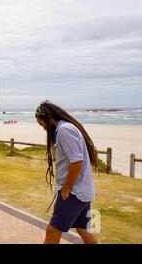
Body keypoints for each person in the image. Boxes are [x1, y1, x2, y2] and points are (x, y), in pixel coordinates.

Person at [35, 101, 98, 244]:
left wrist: (66, 189)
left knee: (52, 231)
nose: (43, 128)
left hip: (73, 193)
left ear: (48, 119)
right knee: (83, 230)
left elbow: (77, 162)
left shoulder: (64, 130)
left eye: (42, 124)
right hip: (82, 191)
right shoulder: (65, 128)